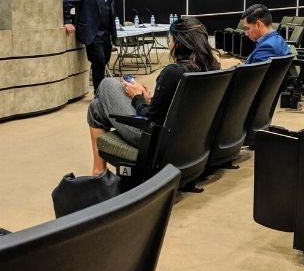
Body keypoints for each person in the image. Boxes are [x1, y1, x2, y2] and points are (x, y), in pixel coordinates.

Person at [86, 17, 220, 175]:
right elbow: (176, 106)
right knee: (96, 107)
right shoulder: (212, 68)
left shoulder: (173, 72)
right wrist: (151, 100)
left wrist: (138, 98)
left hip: (153, 139)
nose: (169, 45)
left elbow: (150, 120)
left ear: (177, 43)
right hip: (188, 137)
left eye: (169, 40)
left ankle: (98, 174)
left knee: (107, 84)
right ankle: (99, 171)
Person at [63, 0, 117, 94]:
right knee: (98, 61)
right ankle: (99, 94)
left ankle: (102, 91)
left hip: (106, 34)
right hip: (92, 33)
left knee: (104, 61)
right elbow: (66, 3)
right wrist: (68, 21)